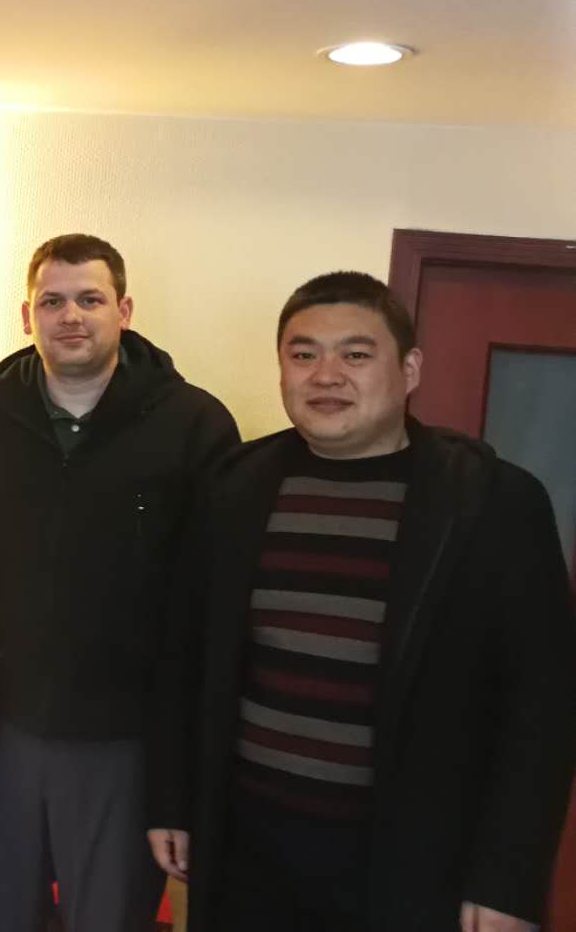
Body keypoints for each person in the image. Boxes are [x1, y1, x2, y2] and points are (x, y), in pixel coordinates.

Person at [147, 271, 576, 932]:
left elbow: (540, 707)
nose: (326, 375)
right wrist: (173, 801)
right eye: (303, 354)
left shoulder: (492, 503)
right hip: (247, 848)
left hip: (413, 857)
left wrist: (506, 879)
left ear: (409, 370)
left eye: (355, 354)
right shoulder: (232, 486)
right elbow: (185, 657)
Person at [0, 233, 239, 931]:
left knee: (108, 919)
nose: (70, 316)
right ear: (27, 316)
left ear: (124, 310)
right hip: (4, 728)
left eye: (89, 299)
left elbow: (215, 592)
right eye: (52, 302)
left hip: (127, 738)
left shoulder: (193, 423)